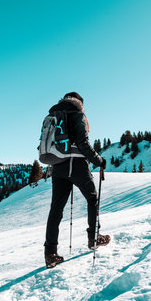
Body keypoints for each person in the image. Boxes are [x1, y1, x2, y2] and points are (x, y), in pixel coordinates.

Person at [44, 92, 110, 268]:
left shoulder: (55, 115)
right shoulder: (78, 114)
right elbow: (82, 142)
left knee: (56, 208)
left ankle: (50, 253)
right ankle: (93, 238)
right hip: (77, 164)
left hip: (58, 165)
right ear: (79, 101)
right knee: (92, 198)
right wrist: (99, 160)